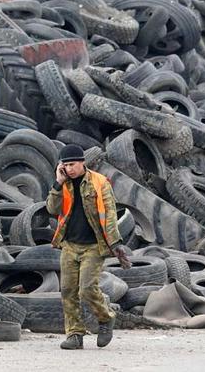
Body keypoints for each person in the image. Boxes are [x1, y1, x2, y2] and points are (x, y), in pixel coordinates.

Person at [46, 144, 131, 350]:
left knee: (86, 289)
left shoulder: (99, 183)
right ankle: (75, 334)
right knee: (67, 290)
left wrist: (116, 243)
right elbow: (51, 209)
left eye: (72, 164)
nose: (69, 169)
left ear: (83, 162)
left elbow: (109, 214)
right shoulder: (63, 184)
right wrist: (58, 183)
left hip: (94, 245)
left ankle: (106, 317)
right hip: (69, 245)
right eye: (65, 165)